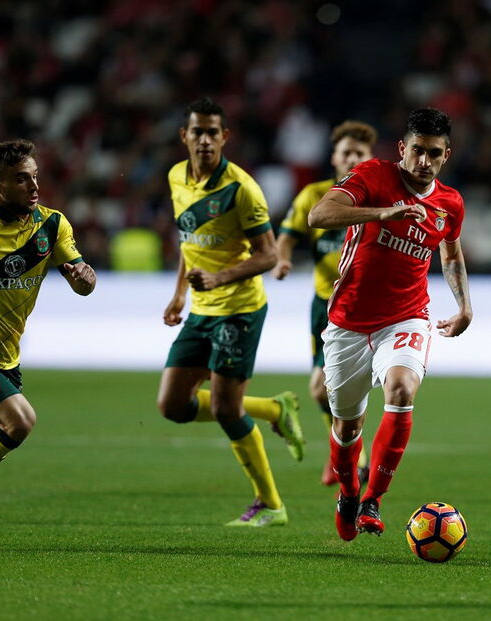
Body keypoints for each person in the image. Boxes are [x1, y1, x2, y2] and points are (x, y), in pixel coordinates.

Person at [308, 107, 473, 541]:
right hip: (348, 321)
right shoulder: (371, 176)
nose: (423, 162)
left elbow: (451, 255)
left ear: (446, 155)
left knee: (401, 389)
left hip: (406, 316)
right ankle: (348, 491)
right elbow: (318, 216)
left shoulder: (450, 203)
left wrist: (464, 306)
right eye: (416, 151)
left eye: (433, 154)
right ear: (403, 148)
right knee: (346, 427)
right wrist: (381, 214)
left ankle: (372, 500)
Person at [157, 97, 304, 528]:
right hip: (201, 309)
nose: (204, 139)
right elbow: (192, 241)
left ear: (225, 137)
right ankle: (275, 410)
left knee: (224, 409)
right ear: (184, 136)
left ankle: (272, 505)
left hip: (239, 310)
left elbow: (270, 255)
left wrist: (219, 280)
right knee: (171, 405)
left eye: (212, 132)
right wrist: (179, 294)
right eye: (196, 131)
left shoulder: (242, 189)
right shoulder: (175, 178)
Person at [0, 139, 97, 546]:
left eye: (34, 176)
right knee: (20, 420)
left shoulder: (51, 225)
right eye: (20, 179)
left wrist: (84, 278)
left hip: (6, 355)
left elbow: (83, 279)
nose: (33, 186)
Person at [272, 120, 377, 486]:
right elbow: (286, 236)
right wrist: (283, 259)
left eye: (359, 154)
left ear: (369, 159)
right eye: (346, 152)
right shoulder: (313, 196)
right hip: (326, 305)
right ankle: (350, 455)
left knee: (328, 387)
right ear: (333, 156)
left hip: (369, 306)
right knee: (323, 388)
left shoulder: (378, 197)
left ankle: (348, 456)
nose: (351, 158)